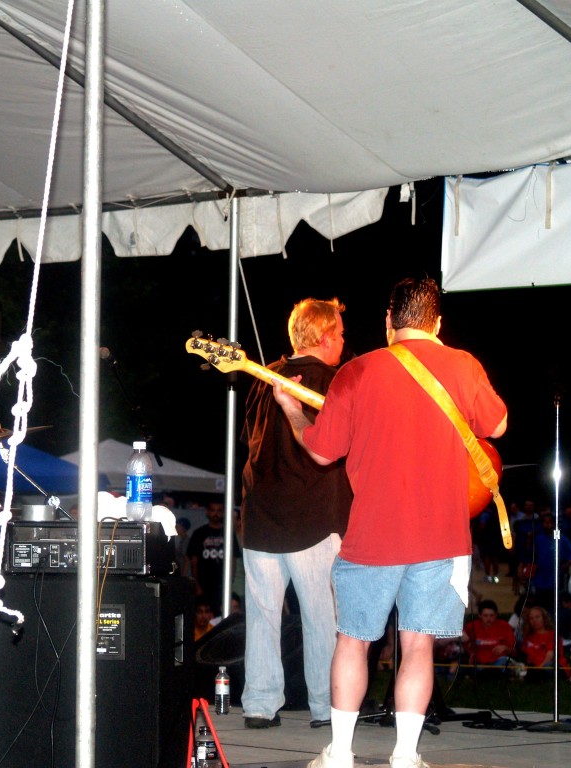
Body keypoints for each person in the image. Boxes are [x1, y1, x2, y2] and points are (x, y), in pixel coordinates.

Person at [272, 277, 507, 768]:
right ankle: (405, 755)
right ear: (437, 323)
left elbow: (322, 452)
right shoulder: (463, 365)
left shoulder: (357, 371)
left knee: (353, 641)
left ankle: (339, 753)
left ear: (388, 321)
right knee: (417, 644)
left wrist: (293, 411)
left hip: (372, 536)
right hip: (442, 538)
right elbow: (499, 425)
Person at [239, 298, 352, 729]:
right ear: (324, 337)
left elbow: (251, 439)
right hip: (313, 515)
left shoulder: (265, 376)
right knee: (321, 616)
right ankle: (325, 707)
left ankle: (259, 704)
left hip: (261, 514)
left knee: (262, 614)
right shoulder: (336, 382)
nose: (343, 341)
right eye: (340, 333)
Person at [187, 501, 227, 609]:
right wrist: (196, 584)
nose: (216, 514)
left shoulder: (228, 533)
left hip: (222, 584)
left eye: (219, 511)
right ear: (207, 512)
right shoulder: (199, 533)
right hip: (203, 583)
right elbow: (193, 561)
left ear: (223, 513)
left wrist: (230, 582)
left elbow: (233, 559)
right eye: (213, 510)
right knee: (202, 612)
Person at [462, 599, 516, 669]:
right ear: (479, 615)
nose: (489, 619)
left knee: (504, 662)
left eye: (492, 615)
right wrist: (470, 653)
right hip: (479, 663)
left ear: (496, 615)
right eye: (485, 615)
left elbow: (514, 651)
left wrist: (506, 648)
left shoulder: (505, 626)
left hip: (499, 662)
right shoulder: (471, 626)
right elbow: (463, 645)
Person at [520, 605, 570, 678]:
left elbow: (550, 655)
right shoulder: (528, 637)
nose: (534, 620)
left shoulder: (552, 635)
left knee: (549, 666)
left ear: (544, 618)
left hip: (552, 665)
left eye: (537, 617)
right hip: (534, 667)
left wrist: (539, 668)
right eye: (531, 618)